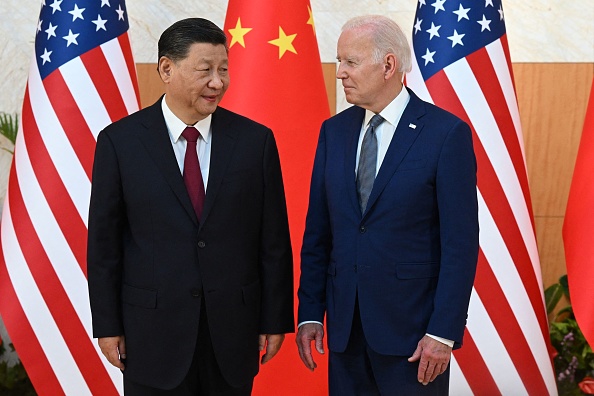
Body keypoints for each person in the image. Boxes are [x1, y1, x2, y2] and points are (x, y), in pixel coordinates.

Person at [87, 17, 294, 395]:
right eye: (205, 70)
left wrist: (275, 319)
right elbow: (104, 245)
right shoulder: (120, 142)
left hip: (232, 332)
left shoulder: (255, 142)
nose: (218, 82)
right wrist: (107, 324)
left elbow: (273, 241)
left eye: (224, 69)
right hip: (150, 334)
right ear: (167, 68)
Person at [296, 15, 479, 395]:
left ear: (389, 65)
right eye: (338, 61)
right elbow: (319, 233)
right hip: (346, 333)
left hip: (414, 339)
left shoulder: (446, 135)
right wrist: (310, 312)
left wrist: (443, 333)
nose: (340, 73)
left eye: (350, 62)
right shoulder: (334, 132)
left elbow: (460, 246)